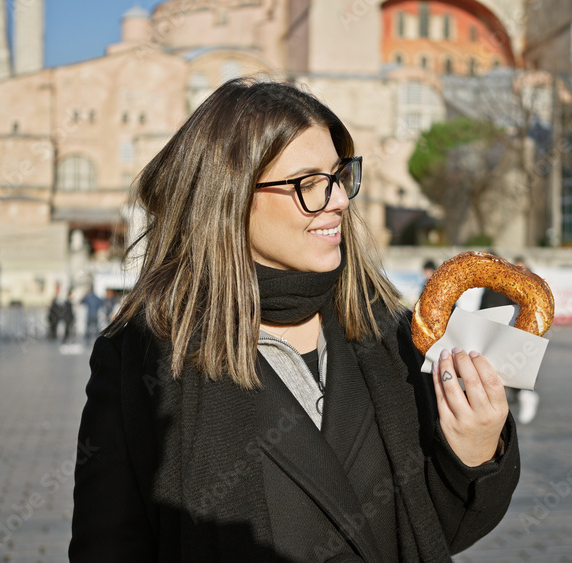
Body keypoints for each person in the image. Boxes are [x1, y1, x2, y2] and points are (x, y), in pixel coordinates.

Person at [70, 79, 519, 561]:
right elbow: (109, 545)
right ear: (231, 196)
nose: (340, 200)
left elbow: (434, 530)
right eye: (307, 184)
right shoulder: (143, 355)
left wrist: (474, 451)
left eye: (338, 175)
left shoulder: (388, 330)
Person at [478, 257, 540, 425]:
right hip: (491, 331)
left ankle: (526, 395)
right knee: (497, 371)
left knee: (510, 368)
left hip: (507, 332)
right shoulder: (489, 285)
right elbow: (483, 307)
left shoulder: (512, 285)